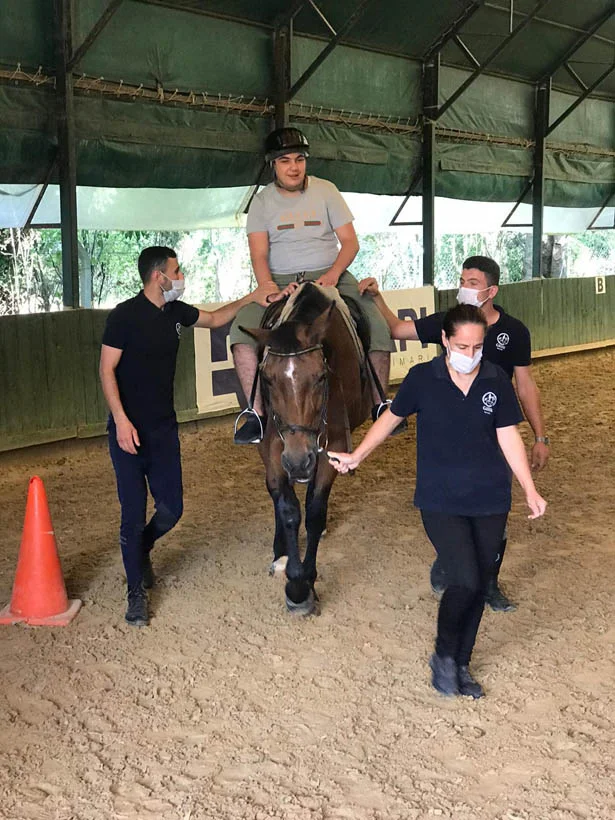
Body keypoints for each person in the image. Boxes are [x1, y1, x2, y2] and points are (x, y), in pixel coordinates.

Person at [328, 304, 547, 699]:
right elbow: (391, 418)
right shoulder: (422, 379)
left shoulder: (496, 379)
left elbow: (508, 435)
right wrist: (358, 455)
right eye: (462, 345)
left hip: (490, 498)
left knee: (479, 584)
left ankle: (461, 663)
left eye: (478, 346)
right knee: (463, 578)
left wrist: (529, 488)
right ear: (445, 340)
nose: (471, 353)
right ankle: (443, 656)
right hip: (440, 498)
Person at [99, 246, 278, 627]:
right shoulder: (124, 316)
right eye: (176, 271)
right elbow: (106, 369)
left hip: (163, 427)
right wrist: (121, 420)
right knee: (132, 513)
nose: (181, 276)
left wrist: (252, 296)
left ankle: (142, 548)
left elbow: (214, 319)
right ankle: (135, 593)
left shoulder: (176, 312)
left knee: (171, 510)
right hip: (128, 430)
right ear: (158, 276)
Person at [359, 256, 549, 611]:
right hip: (449, 431)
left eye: (472, 282)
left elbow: (525, 385)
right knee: (448, 507)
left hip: (495, 432)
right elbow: (399, 330)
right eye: (461, 279)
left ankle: (489, 583)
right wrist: (376, 298)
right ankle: (452, 559)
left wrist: (540, 436)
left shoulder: (515, 332)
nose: (464, 287)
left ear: (491, 290)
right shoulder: (448, 322)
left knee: (494, 518)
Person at [231, 126, 396, 445]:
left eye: (299, 159)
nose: (293, 167)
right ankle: (256, 413)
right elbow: (259, 253)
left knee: (376, 323)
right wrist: (266, 285)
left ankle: (380, 404)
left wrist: (334, 273)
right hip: (279, 278)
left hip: (330, 271)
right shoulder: (262, 202)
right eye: (285, 161)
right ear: (273, 165)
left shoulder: (327, 191)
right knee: (240, 332)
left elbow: (349, 242)